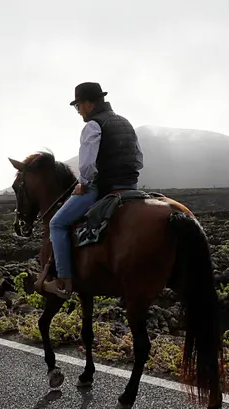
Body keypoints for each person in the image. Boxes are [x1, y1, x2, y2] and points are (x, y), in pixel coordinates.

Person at [42, 82, 143, 298]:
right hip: (130, 186)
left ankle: (63, 282)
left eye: (78, 106)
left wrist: (84, 183)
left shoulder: (93, 126)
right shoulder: (125, 122)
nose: (78, 111)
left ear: (89, 103)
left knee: (56, 224)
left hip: (104, 187)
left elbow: (87, 165)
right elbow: (138, 158)